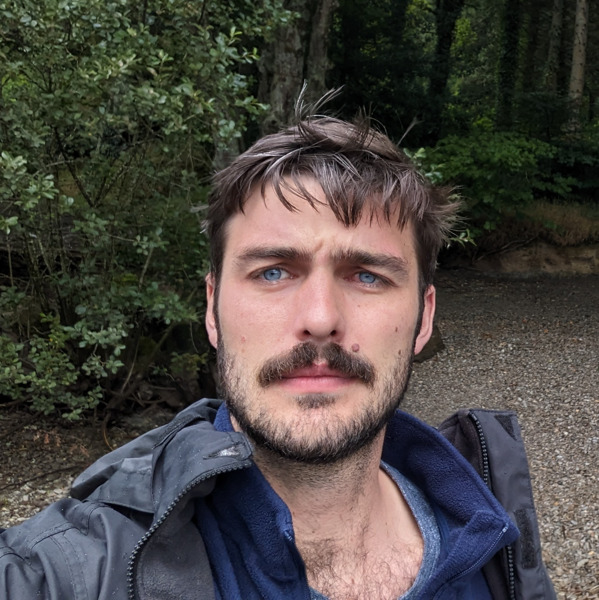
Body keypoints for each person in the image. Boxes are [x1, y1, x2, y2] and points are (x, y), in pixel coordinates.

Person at [0, 111, 520, 600]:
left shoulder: (494, 539)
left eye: (367, 276)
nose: (320, 318)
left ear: (424, 319)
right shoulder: (69, 570)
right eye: (273, 272)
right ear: (212, 310)